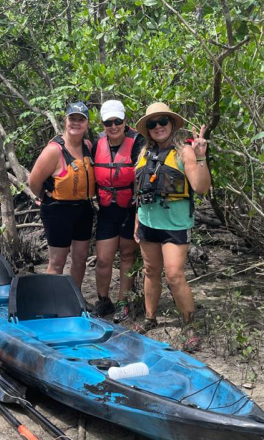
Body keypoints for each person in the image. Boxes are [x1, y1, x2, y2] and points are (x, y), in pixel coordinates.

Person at [132, 102, 211, 330]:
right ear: (147, 129)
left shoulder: (184, 151)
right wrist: (137, 220)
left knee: (174, 275)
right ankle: (150, 317)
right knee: (150, 270)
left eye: (162, 121)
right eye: (152, 123)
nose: (158, 127)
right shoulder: (144, 152)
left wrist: (200, 157)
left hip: (174, 224)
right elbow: (141, 190)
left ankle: (190, 325)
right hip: (147, 222)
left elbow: (200, 187)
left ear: (171, 124)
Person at [28, 101, 96, 290]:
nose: (76, 123)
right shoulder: (54, 150)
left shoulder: (88, 146)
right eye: (72, 118)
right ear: (65, 120)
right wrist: (45, 195)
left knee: (81, 258)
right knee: (57, 261)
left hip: (83, 208)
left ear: (87, 124)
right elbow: (33, 182)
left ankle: (75, 299)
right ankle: (54, 301)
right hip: (57, 210)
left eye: (81, 119)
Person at [91, 100, 145, 322]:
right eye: (108, 122)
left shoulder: (138, 143)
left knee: (126, 255)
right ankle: (104, 301)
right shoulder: (95, 145)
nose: (113, 126)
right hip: (106, 209)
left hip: (129, 209)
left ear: (125, 121)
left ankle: (123, 301)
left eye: (118, 121)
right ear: (103, 124)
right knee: (103, 259)